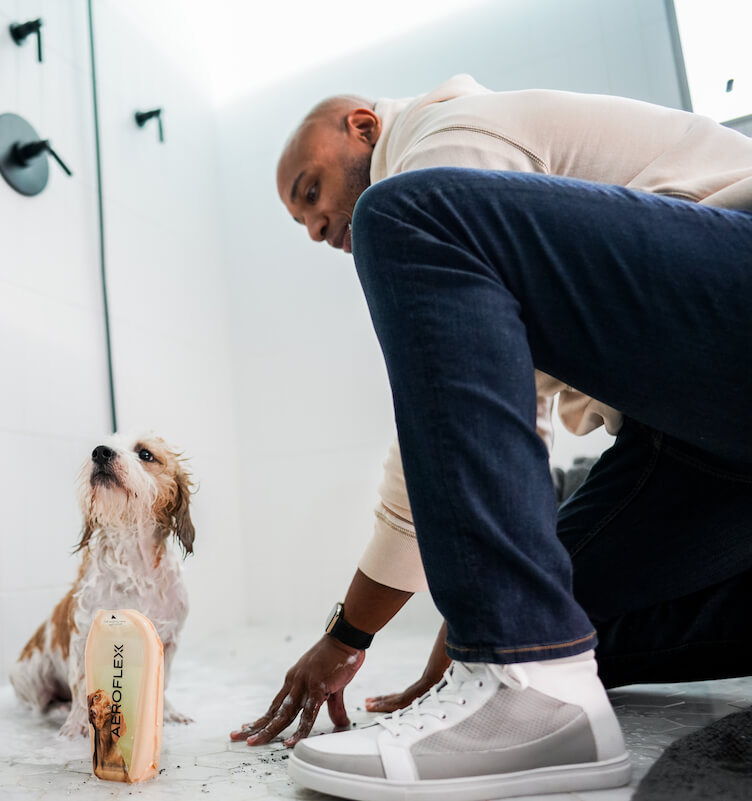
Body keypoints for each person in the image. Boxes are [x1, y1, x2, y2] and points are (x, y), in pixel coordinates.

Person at [231, 74, 752, 800]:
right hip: (711, 426)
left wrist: (384, 637)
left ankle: (526, 684)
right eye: (302, 222)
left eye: (310, 191)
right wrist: (495, 623)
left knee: (406, 215)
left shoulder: (447, 135)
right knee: (576, 627)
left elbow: (447, 432)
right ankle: (538, 684)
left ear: (362, 126)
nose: (315, 227)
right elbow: (486, 415)